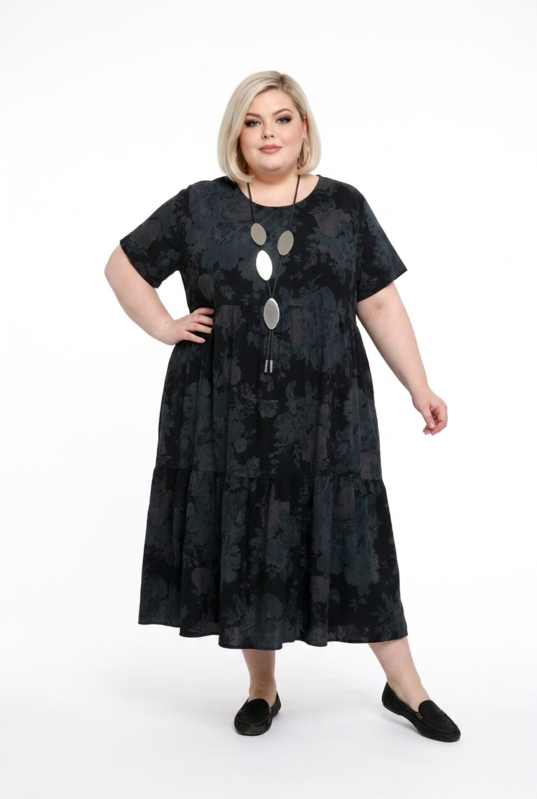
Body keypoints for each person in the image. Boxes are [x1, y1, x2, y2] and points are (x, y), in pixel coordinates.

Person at [104, 70, 461, 742]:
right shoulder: (198, 206)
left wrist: (419, 386)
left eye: (281, 119)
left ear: (303, 129)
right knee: (246, 537)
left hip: (327, 414)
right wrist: (163, 326)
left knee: (357, 538)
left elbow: (379, 302)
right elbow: (121, 266)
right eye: (253, 121)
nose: (267, 133)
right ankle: (261, 689)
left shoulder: (343, 207)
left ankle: (406, 688)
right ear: (236, 133)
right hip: (224, 413)